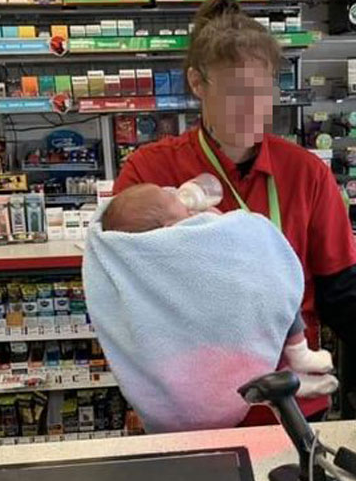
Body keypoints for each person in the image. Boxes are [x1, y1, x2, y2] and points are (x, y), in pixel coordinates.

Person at [114, 0, 356, 422]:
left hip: (290, 407)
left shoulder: (306, 174)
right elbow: (128, 294)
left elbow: (343, 290)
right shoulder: (150, 172)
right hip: (191, 409)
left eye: (264, 90)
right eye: (235, 92)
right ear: (198, 82)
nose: (253, 108)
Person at [83, 182, 337, 433]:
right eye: (169, 197)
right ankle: (295, 361)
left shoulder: (173, 234)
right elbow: (232, 235)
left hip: (194, 357)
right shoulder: (179, 242)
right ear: (168, 227)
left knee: (270, 292)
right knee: (275, 283)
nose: (176, 192)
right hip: (210, 347)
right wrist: (213, 222)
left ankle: (286, 380)